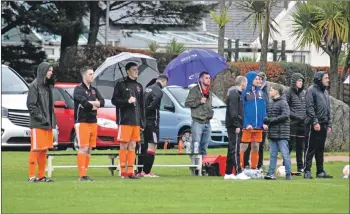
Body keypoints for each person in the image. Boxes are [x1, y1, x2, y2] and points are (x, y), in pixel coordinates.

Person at [112, 62, 145, 179]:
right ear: (128, 71)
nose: (136, 71)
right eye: (134, 69)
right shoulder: (120, 85)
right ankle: (122, 171)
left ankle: (131, 171)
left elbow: (141, 105)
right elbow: (114, 101)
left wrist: (142, 121)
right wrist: (127, 101)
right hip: (125, 120)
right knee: (124, 145)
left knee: (132, 145)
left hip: (136, 121)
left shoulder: (139, 86)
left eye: (137, 69)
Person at [73, 66, 105, 181]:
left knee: (90, 149)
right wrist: (94, 104)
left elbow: (102, 102)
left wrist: (93, 104)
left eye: (93, 74)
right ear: (84, 76)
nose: (93, 76)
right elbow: (84, 103)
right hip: (82, 122)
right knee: (84, 148)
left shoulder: (94, 90)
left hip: (93, 122)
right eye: (90, 74)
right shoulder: (78, 89)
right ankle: (81, 175)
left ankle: (85, 173)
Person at [26, 62, 56, 182]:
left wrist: (51, 122)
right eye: (49, 70)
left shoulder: (47, 86)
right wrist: (42, 119)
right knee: (36, 149)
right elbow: (31, 105)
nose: (51, 73)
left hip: (47, 124)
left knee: (44, 150)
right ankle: (31, 176)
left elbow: (50, 107)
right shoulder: (34, 86)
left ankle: (41, 175)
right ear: (43, 71)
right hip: (38, 124)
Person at [137, 75, 168, 177]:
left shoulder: (147, 88)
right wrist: (150, 110)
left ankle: (141, 170)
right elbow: (154, 104)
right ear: (164, 82)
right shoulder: (158, 90)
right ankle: (146, 171)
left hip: (144, 121)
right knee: (153, 145)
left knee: (145, 145)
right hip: (152, 122)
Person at [304, 71, 333, 179]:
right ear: (319, 79)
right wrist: (315, 122)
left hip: (324, 124)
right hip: (313, 124)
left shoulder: (325, 92)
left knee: (320, 149)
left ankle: (320, 171)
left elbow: (328, 109)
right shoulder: (311, 90)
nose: (328, 80)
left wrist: (329, 123)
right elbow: (309, 107)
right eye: (326, 78)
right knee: (310, 148)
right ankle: (307, 171)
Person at [224, 76, 250, 180]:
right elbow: (233, 111)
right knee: (235, 148)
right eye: (246, 82)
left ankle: (228, 172)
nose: (246, 84)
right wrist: (237, 125)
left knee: (231, 148)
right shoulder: (234, 93)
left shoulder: (236, 93)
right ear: (242, 82)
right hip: (233, 125)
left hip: (234, 124)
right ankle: (239, 171)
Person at [240, 71, 268, 170]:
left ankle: (254, 168)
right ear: (250, 79)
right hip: (248, 126)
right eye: (256, 79)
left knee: (256, 146)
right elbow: (242, 110)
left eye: (259, 79)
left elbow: (263, 109)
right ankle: (240, 167)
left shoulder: (261, 93)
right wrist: (246, 123)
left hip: (258, 126)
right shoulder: (244, 93)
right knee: (244, 146)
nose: (258, 80)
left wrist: (264, 122)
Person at [264, 84, 292, 180]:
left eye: (271, 90)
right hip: (273, 133)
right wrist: (266, 120)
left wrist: (271, 120)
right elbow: (269, 115)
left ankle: (288, 174)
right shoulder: (271, 103)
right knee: (272, 154)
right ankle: (270, 173)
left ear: (276, 91)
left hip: (282, 133)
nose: (269, 92)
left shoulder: (283, 103)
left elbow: (285, 115)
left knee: (285, 154)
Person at [185, 72, 214, 165]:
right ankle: (195, 165)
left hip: (207, 121)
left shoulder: (209, 91)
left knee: (205, 145)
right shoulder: (194, 90)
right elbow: (187, 103)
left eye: (209, 78)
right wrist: (199, 101)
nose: (208, 80)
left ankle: (203, 165)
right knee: (196, 144)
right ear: (201, 79)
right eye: (206, 78)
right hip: (197, 121)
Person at [284, 73, 306, 173]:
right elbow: (286, 107)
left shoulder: (303, 93)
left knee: (300, 147)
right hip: (292, 123)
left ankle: (300, 166)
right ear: (294, 82)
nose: (300, 83)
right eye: (299, 81)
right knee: (289, 146)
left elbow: (305, 107)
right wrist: (296, 116)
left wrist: (304, 118)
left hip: (302, 124)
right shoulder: (288, 92)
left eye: (302, 81)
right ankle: (285, 167)